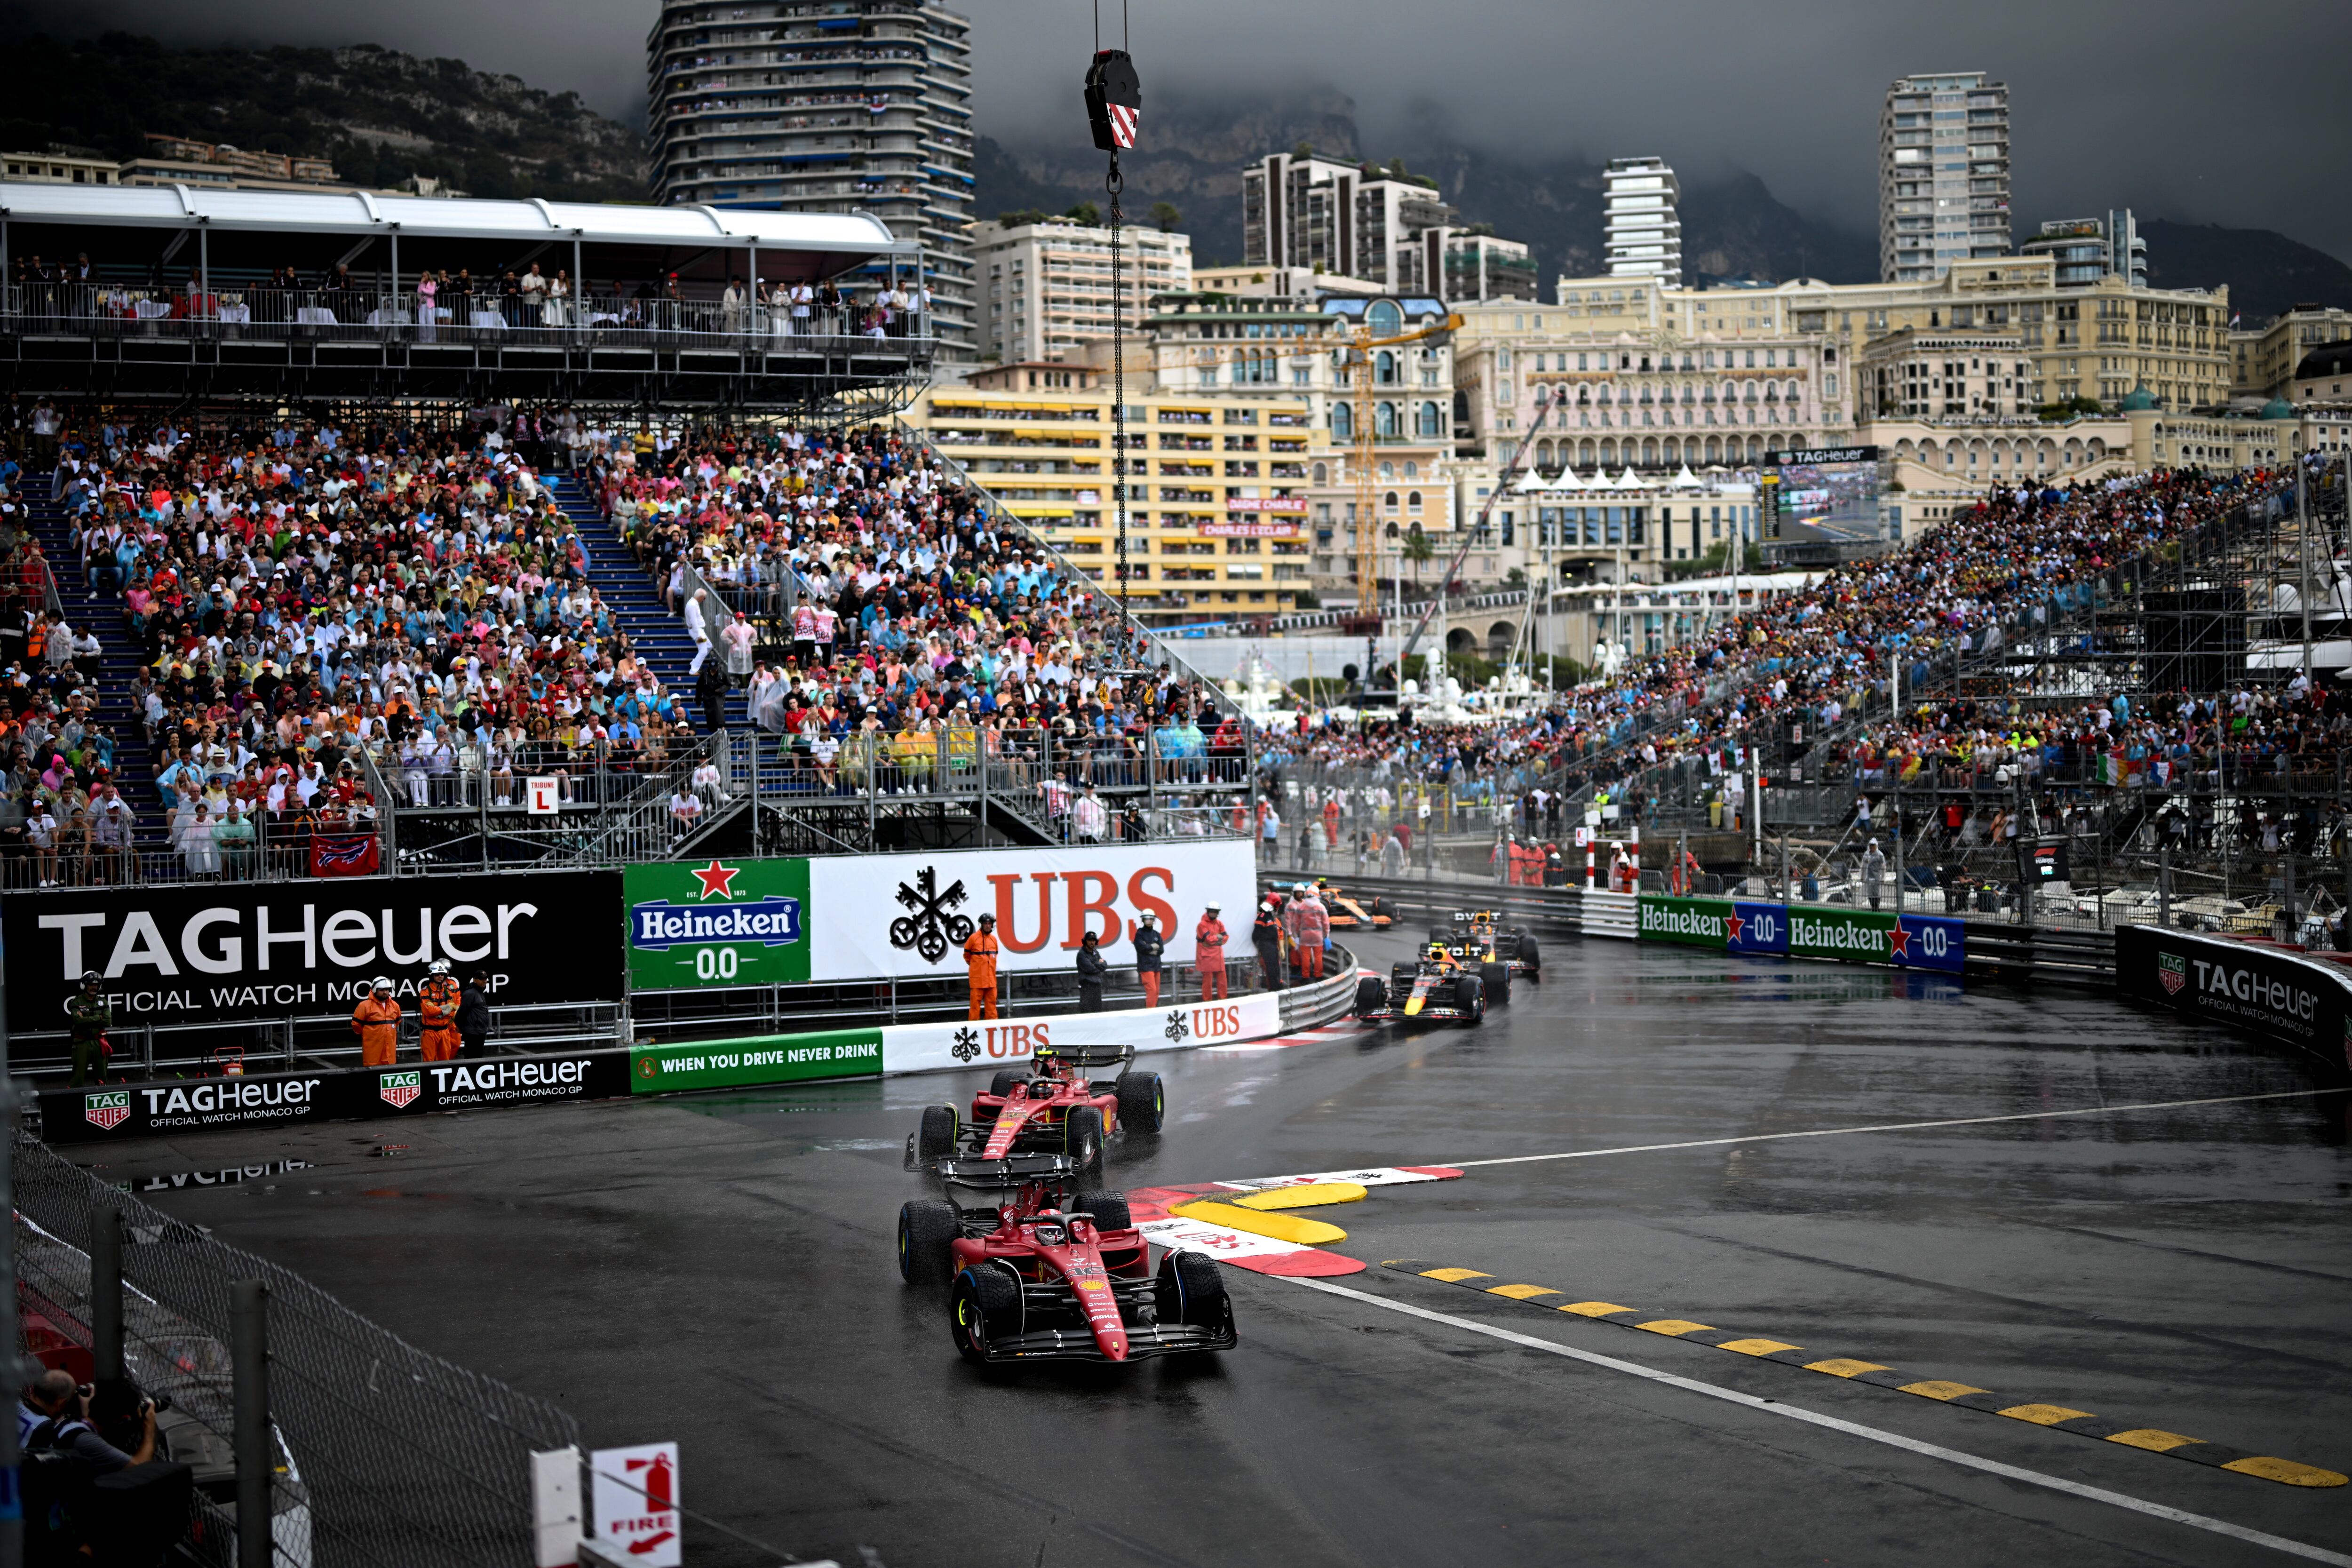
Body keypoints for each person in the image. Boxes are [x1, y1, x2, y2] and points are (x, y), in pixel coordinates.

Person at [65, 973, 109, 1087]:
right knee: (77, 1079)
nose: (94, 987)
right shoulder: (77, 1002)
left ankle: (104, 1102)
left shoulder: (103, 1002)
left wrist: (85, 1018)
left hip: (99, 1043)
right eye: (90, 984)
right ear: (84, 985)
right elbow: (77, 1021)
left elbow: (108, 1021)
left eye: (96, 985)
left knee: (102, 1079)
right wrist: (98, 1018)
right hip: (81, 1043)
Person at [417, 960, 461, 1063]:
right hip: (429, 1032)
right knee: (429, 1062)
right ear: (432, 976)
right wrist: (445, 1010)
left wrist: (439, 1012)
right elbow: (429, 1012)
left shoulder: (448, 991)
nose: (440, 976)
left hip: (444, 1031)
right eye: (437, 974)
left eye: (442, 974)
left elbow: (452, 1010)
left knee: (445, 1063)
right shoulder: (425, 991)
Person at [1285, 881, 1330, 981]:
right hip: (1318, 936)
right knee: (1318, 956)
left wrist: (1297, 935)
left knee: (1305, 956)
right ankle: (1318, 975)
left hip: (1305, 936)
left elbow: (1296, 922)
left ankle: (1305, 976)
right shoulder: (1321, 906)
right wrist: (1326, 935)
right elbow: (1326, 923)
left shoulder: (1302, 906)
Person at [351, 976, 401, 1067]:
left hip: (390, 1054)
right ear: (375, 990)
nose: (385, 992)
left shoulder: (395, 1006)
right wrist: (369, 1035)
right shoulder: (364, 1006)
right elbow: (356, 1026)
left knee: (389, 1075)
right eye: (382, 990)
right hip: (372, 1053)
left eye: (387, 990)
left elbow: (397, 1022)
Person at [962, 911, 1001, 1020]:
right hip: (977, 981)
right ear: (982, 924)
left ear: (992, 925)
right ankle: (974, 1030)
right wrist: (976, 967)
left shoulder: (994, 940)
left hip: (991, 981)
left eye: (990, 923)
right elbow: (967, 956)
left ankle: (991, 1030)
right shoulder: (973, 938)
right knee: (975, 1007)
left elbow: (995, 957)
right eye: (986, 923)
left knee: (992, 1008)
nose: (988, 926)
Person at [1195, 900, 1229, 1001]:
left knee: (1223, 981)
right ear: (1208, 912)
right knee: (1207, 983)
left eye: (1215, 912)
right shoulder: (1202, 925)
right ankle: (1207, 1003)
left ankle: (1223, 1001)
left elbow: (1226, 937)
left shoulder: (1220, 923)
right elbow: (1208, 939)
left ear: (1218, 913)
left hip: (1218, 956)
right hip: (1207, 958)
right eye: (1212, 911)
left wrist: (1216, 940)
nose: (1213, 913)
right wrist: (1218, 939)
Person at [1132, 911, 1164, 1009]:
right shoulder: (1140, 934)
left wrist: (1148, 948)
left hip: (1156, 966)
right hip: (1146, 967)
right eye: (1147, 919)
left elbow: (1161, 950)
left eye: (1151, 919)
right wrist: (1153, 948)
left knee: (1157, 992)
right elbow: (1141, 948)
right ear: (1143, 920)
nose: (1149, 921)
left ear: (1153, 920)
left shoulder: (1157, 934)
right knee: (1152, 991)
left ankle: (1153, 1009)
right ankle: (1150, 1012)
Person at [456, 971, 492, 1058]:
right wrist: (460, 1026)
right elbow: (462, 1012)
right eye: (481, 979)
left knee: (478, 1057)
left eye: (485, 979)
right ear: (475, 980)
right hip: (473, 1033)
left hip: (479, 1031)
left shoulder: (479, 992)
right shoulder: (470, 993)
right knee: (471, 1057)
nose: (484, 981)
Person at [1252, 899, 1285, 991]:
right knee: (1271, 969)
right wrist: (1260, 947)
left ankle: (1277, 985)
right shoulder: (1263, 917)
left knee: (1275, 968)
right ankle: (1273, 988)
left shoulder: (1271, 917)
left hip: (1272, 946)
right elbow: (1256, 935)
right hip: (1267, 947)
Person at [1075, 929, 1108, 1012]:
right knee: (1087, 1009)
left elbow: (1105, 965)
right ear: (1085, 941)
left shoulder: (1095, 952)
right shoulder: (1081, 954)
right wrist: (1098, 964)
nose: (1092, 942)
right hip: (1087, 986)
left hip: (1097, 985)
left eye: (1094, 940)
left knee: (1097, 1009)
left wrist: (1096, 964)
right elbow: (1090, 969)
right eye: (1090, 940)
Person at [1861, 837, 1886, 912]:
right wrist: (1862, 876)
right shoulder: (1866, 854)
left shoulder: (1880, 855)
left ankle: (1877, 907)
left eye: (1873, 845)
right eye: (1871, 845)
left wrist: (1883, 878)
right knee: (1870, 893)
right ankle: (1873, 907)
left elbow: (1884, 867)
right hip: (1868, 877)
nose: (1872, 847)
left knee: (1877, 893)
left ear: (1876, 846)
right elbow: (1863, 865)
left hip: (1876, 877)